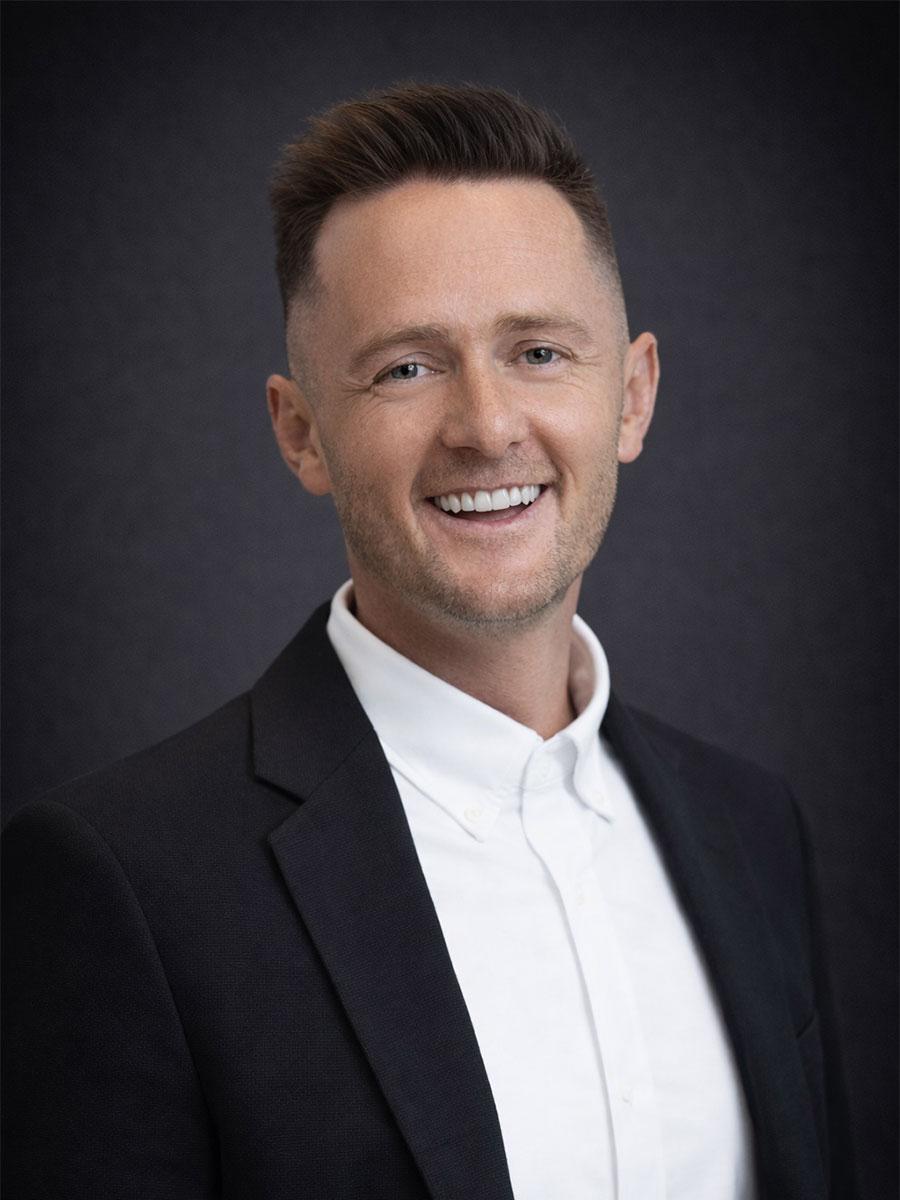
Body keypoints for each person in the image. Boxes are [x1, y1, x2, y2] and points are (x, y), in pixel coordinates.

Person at [3, 83, 855, 1200]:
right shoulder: (121, 887)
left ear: (633, 396)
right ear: (302, 432)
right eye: (407, 366)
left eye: (541, 352)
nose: (488, 425)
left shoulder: (756, 835)